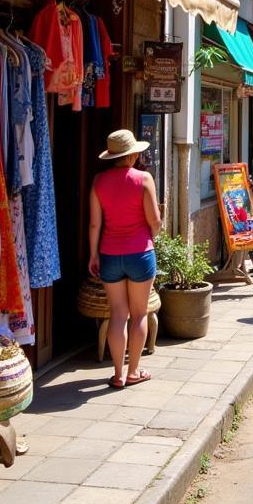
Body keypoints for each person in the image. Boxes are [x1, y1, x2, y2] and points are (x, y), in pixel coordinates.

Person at [88, 129, 162, 389]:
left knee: (118, 314)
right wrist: (154, 233)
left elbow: (95, 224)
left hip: (109, 254)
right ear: (132, 155)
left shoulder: (98, 181)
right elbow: (154, 220)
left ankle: (117, 374)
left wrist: (93, 254)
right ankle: (134, 371)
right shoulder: (144, 179)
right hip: (140, 253)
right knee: (139, 314)